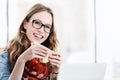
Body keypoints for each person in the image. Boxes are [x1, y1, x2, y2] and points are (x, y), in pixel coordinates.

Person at [0, 3, 62, 80]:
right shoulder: (5, 56)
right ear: (25, 24)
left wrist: (57, 72)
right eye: (37, 22)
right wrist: (22, 60)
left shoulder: (49, 59)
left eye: (47, 26)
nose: (41, 30)